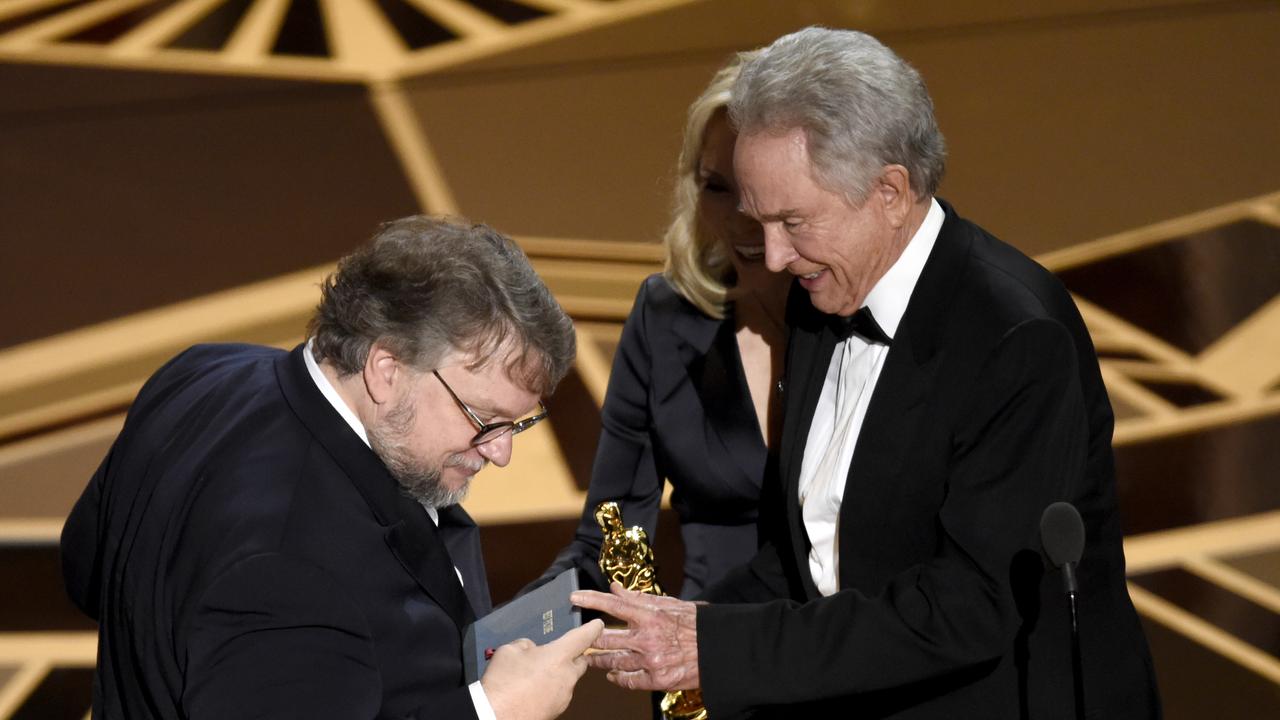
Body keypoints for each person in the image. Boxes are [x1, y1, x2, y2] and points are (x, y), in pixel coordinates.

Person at [573, 27, 1161, 719]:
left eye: (794, 221)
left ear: (889, 190)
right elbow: (816, 549)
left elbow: (970, 605)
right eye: (761, 222)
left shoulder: (1018, 338)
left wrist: (718, 646)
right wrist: (682, 624)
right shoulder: (826, 296)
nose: (774, 255)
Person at [61, 216, 604, 720]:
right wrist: (492, 711)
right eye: (484, 419)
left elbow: (88, 572)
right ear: (386, 368)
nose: (501, 452)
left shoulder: (201, 372)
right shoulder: (298, 574)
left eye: (516, 423)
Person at [529, 52, 791, 599]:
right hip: (704, 665)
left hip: (858, 663)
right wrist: (517, 635)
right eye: (717, 188)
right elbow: (615, 534)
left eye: (762, 189)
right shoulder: (667, 316)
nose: (740, 218)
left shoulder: (867, 316)